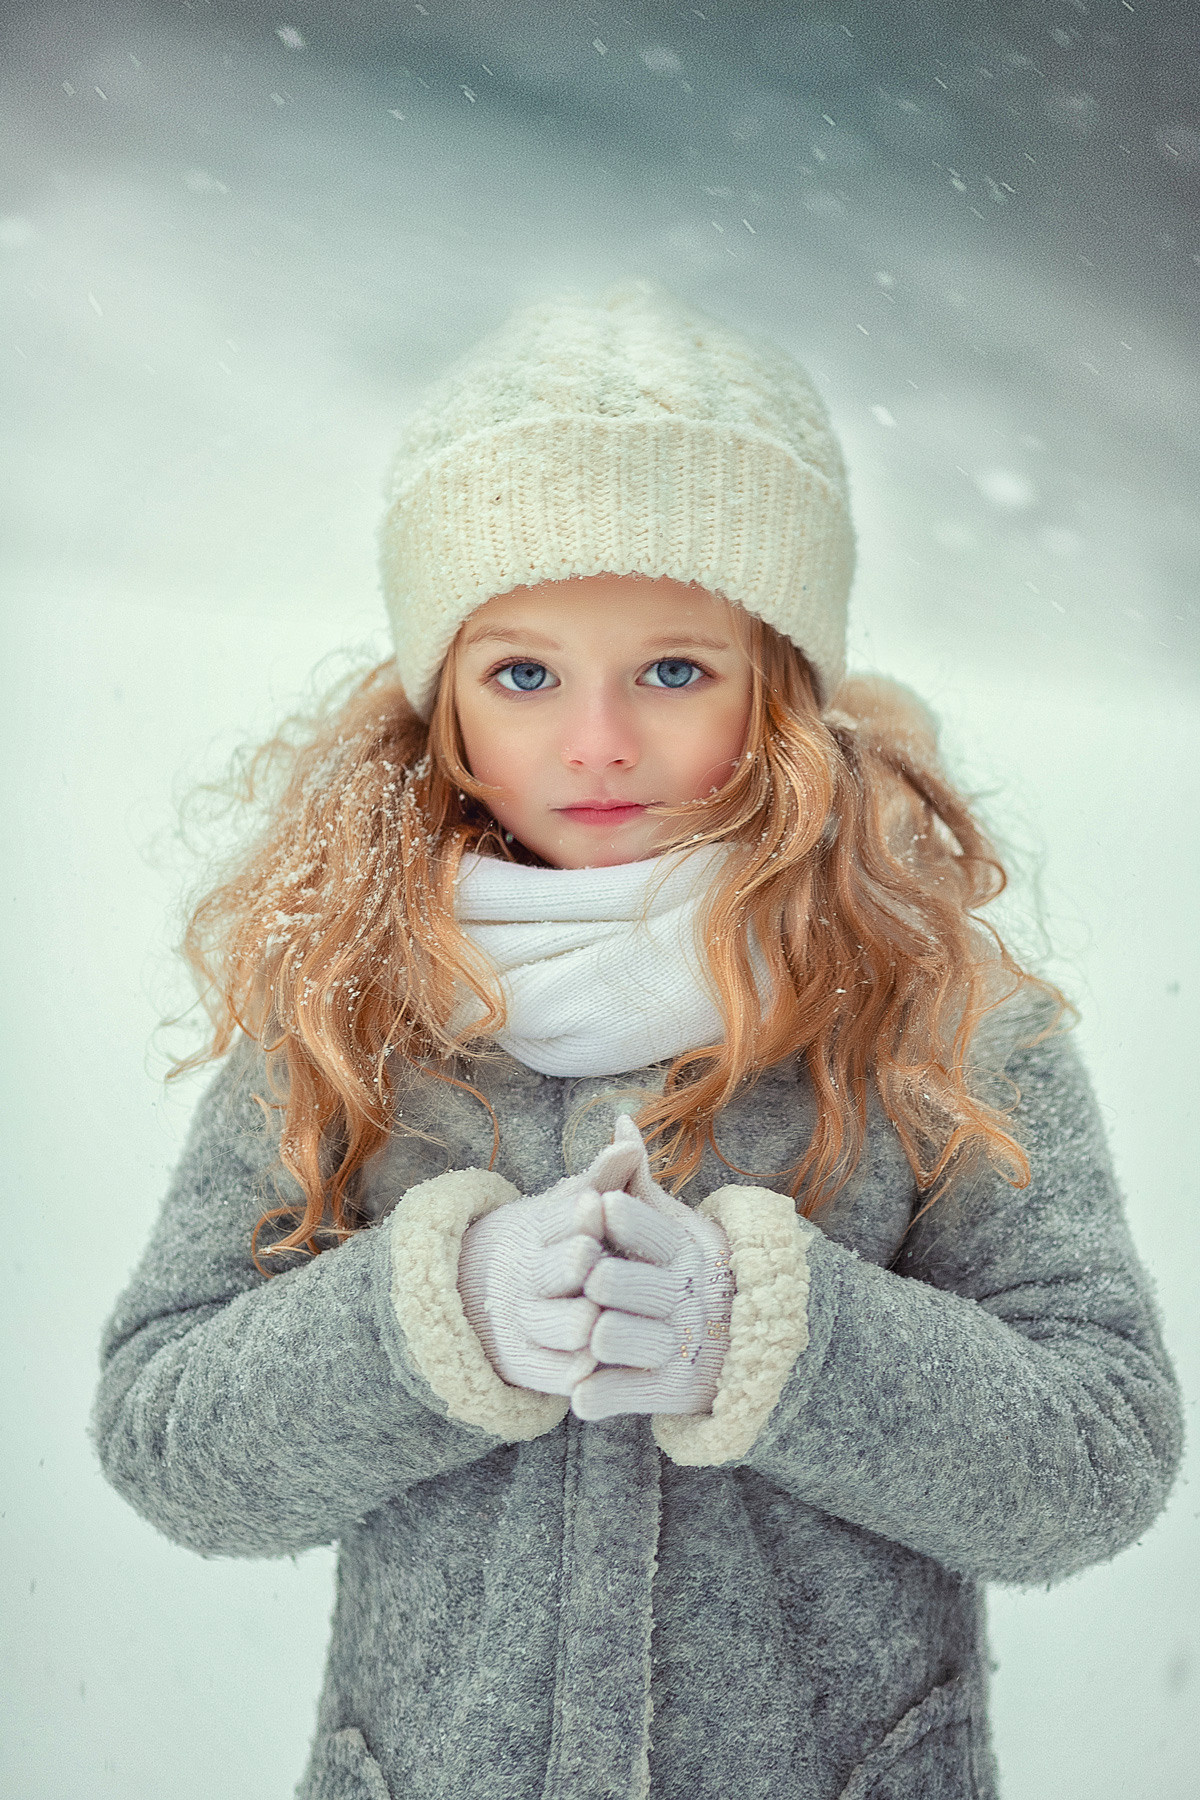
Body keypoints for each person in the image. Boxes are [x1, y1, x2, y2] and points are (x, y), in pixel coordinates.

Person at [89, 282, 1183, 1800]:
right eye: (523, 672)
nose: (596, 738)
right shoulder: (352, 1006)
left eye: (673, 670)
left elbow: (1094, 1460)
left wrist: (762, 1332)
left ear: (780, 686)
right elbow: (168, 1437)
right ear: (444, 699)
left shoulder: (942, 1016)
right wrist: (439, 1316)